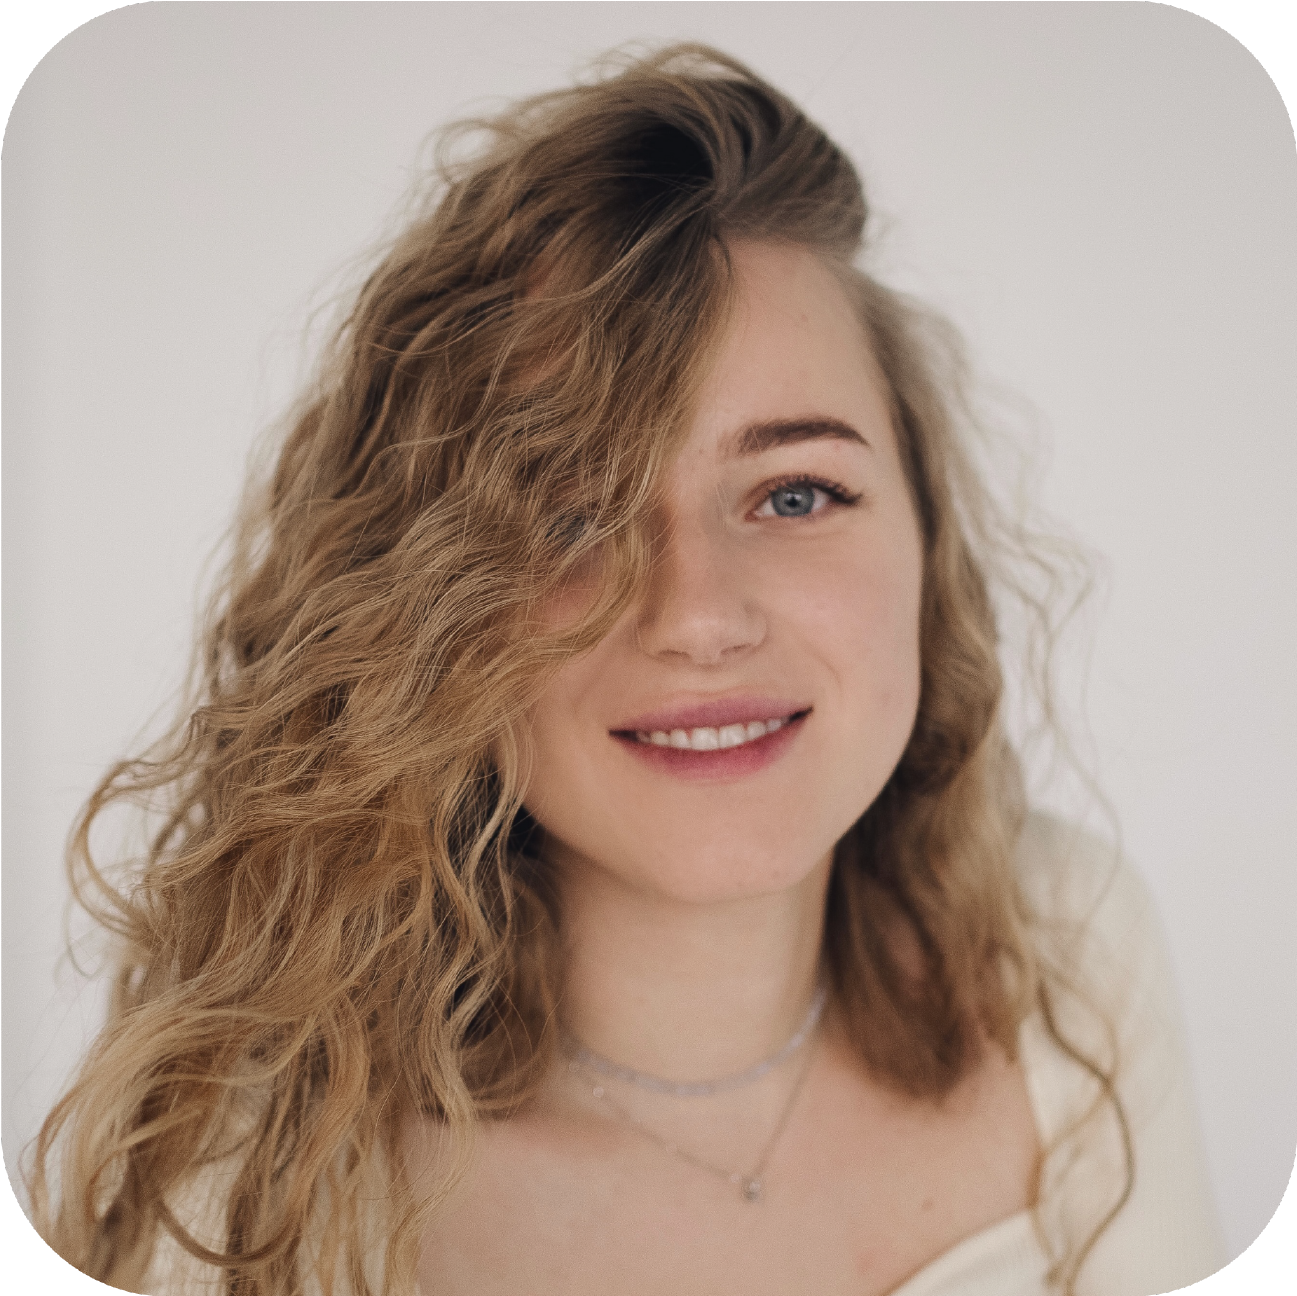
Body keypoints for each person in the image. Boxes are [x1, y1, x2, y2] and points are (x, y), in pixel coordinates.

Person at [29, 44, 1224, 1296]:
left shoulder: (1064, 952)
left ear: (930, 541)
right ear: (418, 609)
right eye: (570, 517)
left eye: (795, 493)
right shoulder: (259, 1183)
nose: (697, 616)